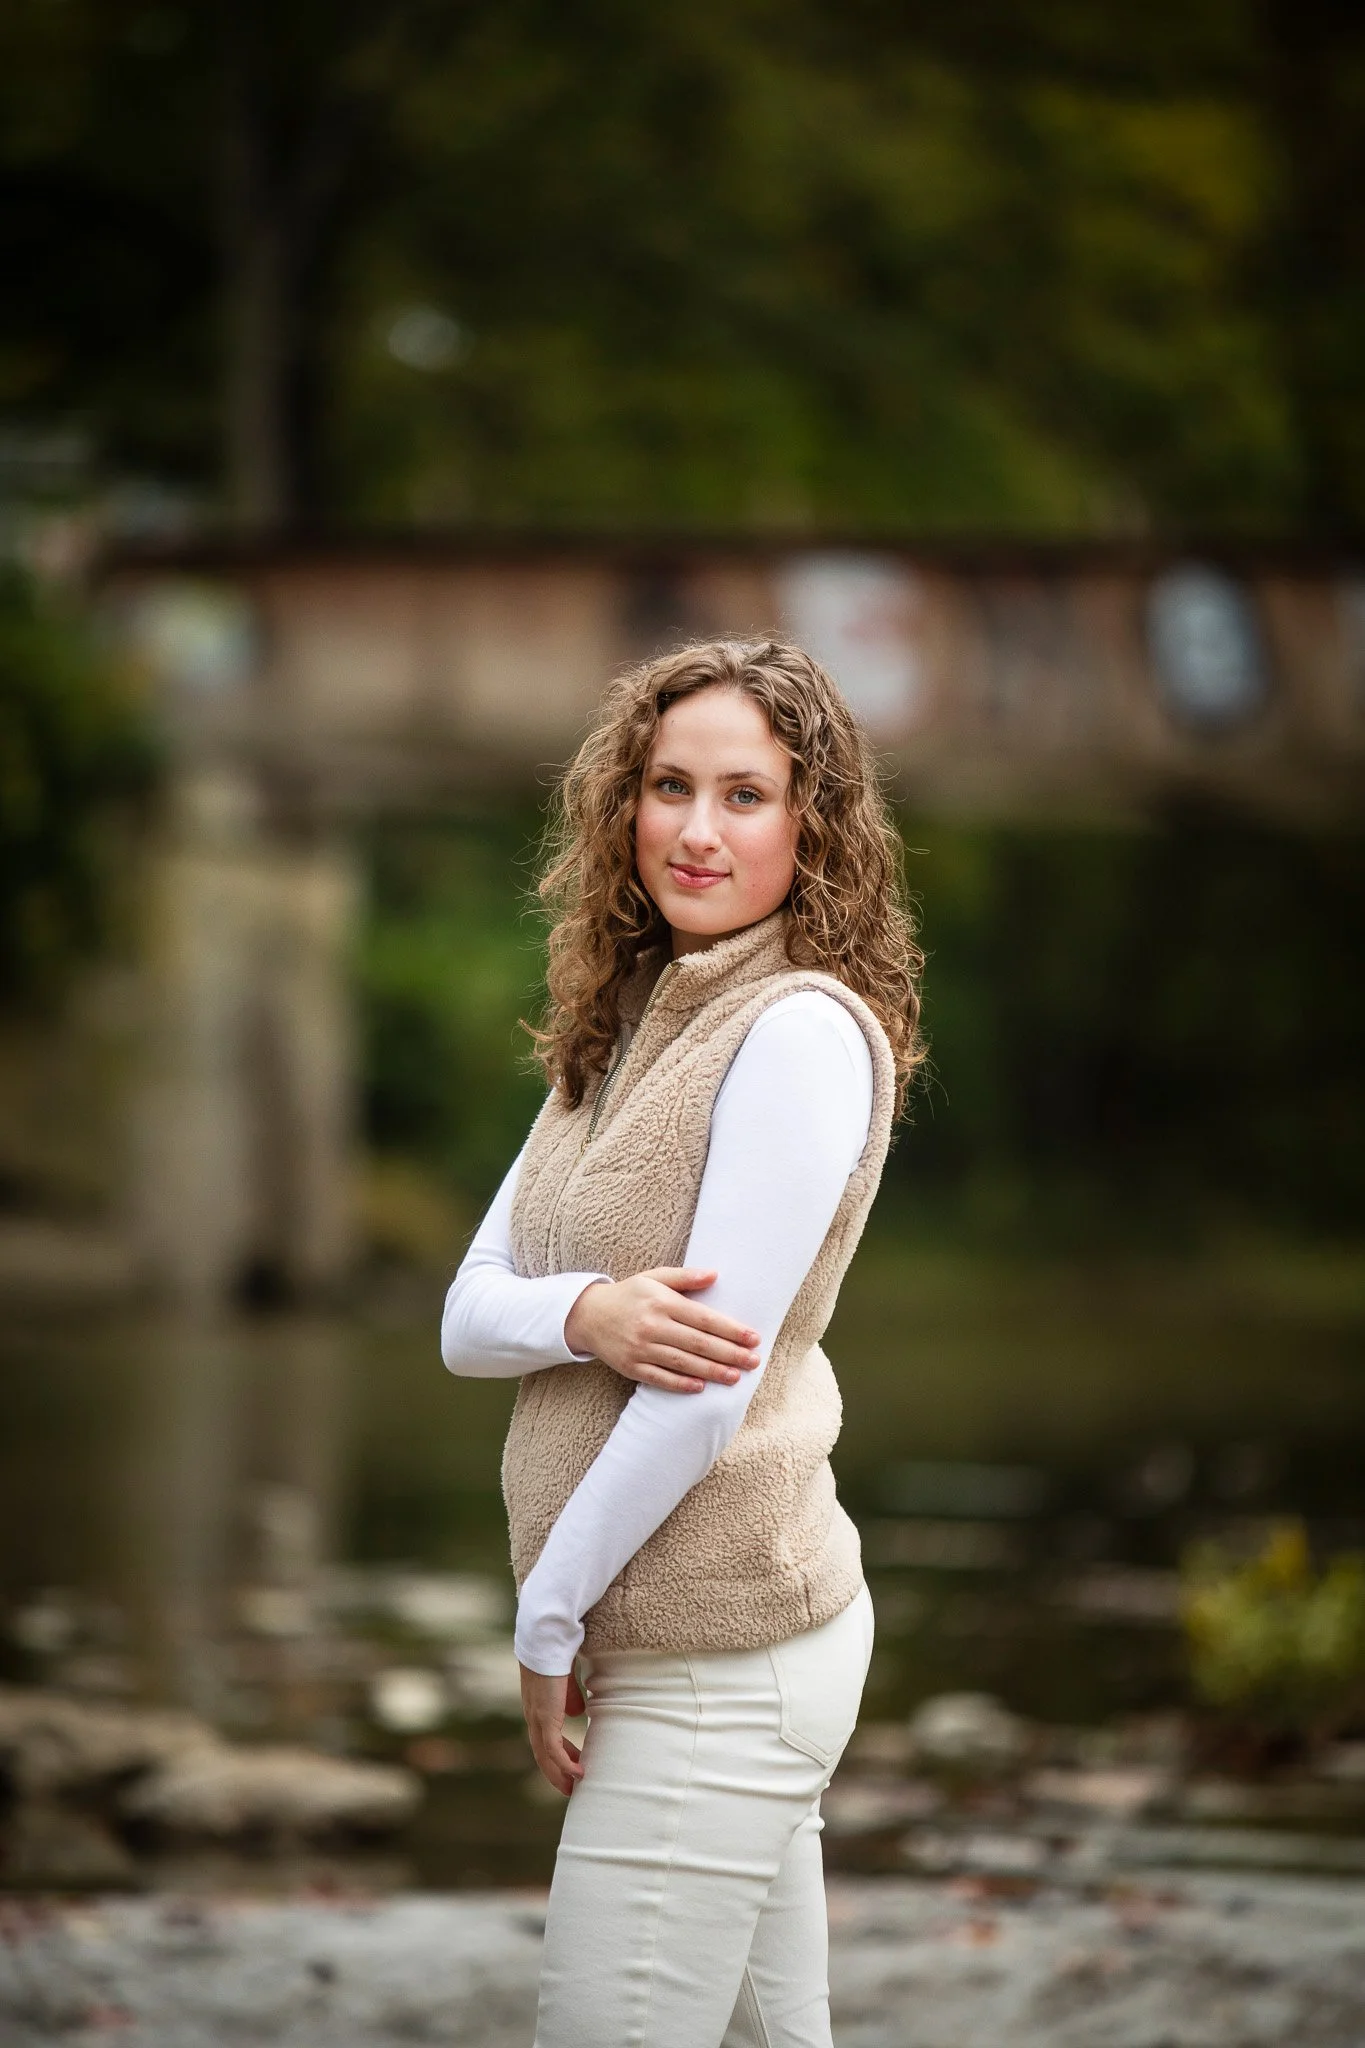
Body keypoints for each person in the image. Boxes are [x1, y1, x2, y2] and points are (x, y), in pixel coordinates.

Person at [442, 638, 924, 2048]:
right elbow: (470, 1315)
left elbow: (699, 1401)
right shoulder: (630, 1021)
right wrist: (584, 1313)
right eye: (668, 786)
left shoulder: (797, 1036)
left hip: (720, 1657)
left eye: (747, 795)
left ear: (813, 825)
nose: (697, 831)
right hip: (689, 1652)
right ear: (623, 806)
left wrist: (548, 1623)